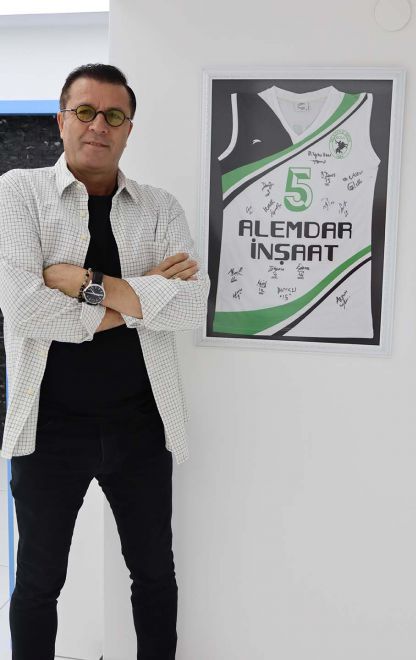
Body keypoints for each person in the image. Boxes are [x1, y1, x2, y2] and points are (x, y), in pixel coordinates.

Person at [0, 63, 210, 660]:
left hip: (141, 424)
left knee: (154, 575)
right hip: (48, 428)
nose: (99, 125)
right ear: (61, 120)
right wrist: (142, 298)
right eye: (85, 112)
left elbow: (191, 303)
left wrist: (87, 283)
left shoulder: (159, 207)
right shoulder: (17, 193)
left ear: (129, 128)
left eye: (114, 115)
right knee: (38, 583)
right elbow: (25, 308)